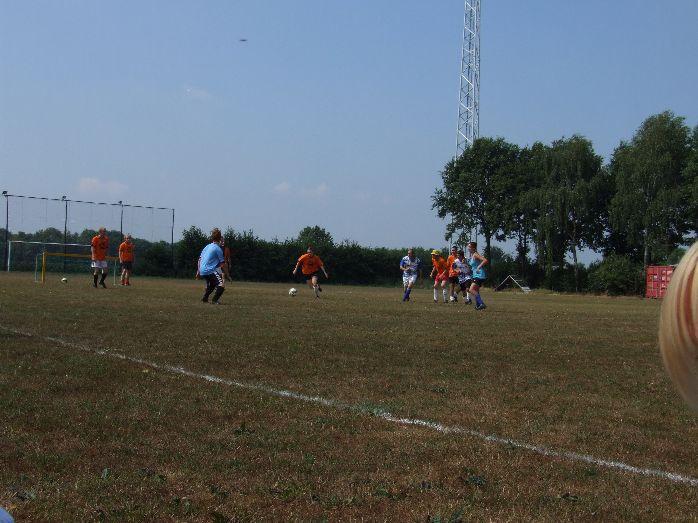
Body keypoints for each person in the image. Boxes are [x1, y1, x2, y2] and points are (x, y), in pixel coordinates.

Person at [197, 228, 229, 304]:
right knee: (221, 285)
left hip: (202, 270)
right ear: (220, 238)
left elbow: (200, 259)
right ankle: (214, 300)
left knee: (212, 284)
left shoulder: (207, 246)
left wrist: (198, 271)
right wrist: (228, 275)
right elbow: (222, 265)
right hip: (210, 270)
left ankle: (205, 299)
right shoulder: (218, 249)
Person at [467, 241, 488, 310]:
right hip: (475, 275)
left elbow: (485, 260)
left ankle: (482, 304)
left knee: (471, 290)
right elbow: (473, 266)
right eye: (468, 247)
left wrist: (479, 266)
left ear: (473, 248)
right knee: (476, 290)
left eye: (469, 247)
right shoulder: (472, 255)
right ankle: (478, 305)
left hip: (479, 275)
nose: (468, 248)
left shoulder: (475, 254)